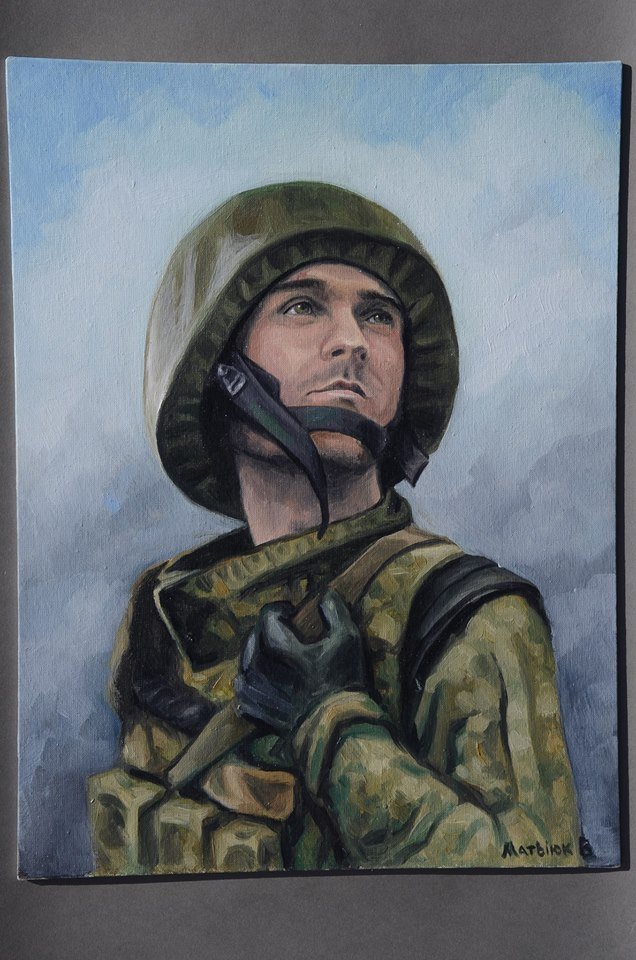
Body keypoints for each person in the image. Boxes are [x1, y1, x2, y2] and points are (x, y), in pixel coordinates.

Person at [88, 181, 583, 874]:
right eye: (302, 306)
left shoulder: (467, 617)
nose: (352, 342)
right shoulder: (164, 616)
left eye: (378, 316)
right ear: (218, 368)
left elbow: (536, 887)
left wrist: (331, 720)